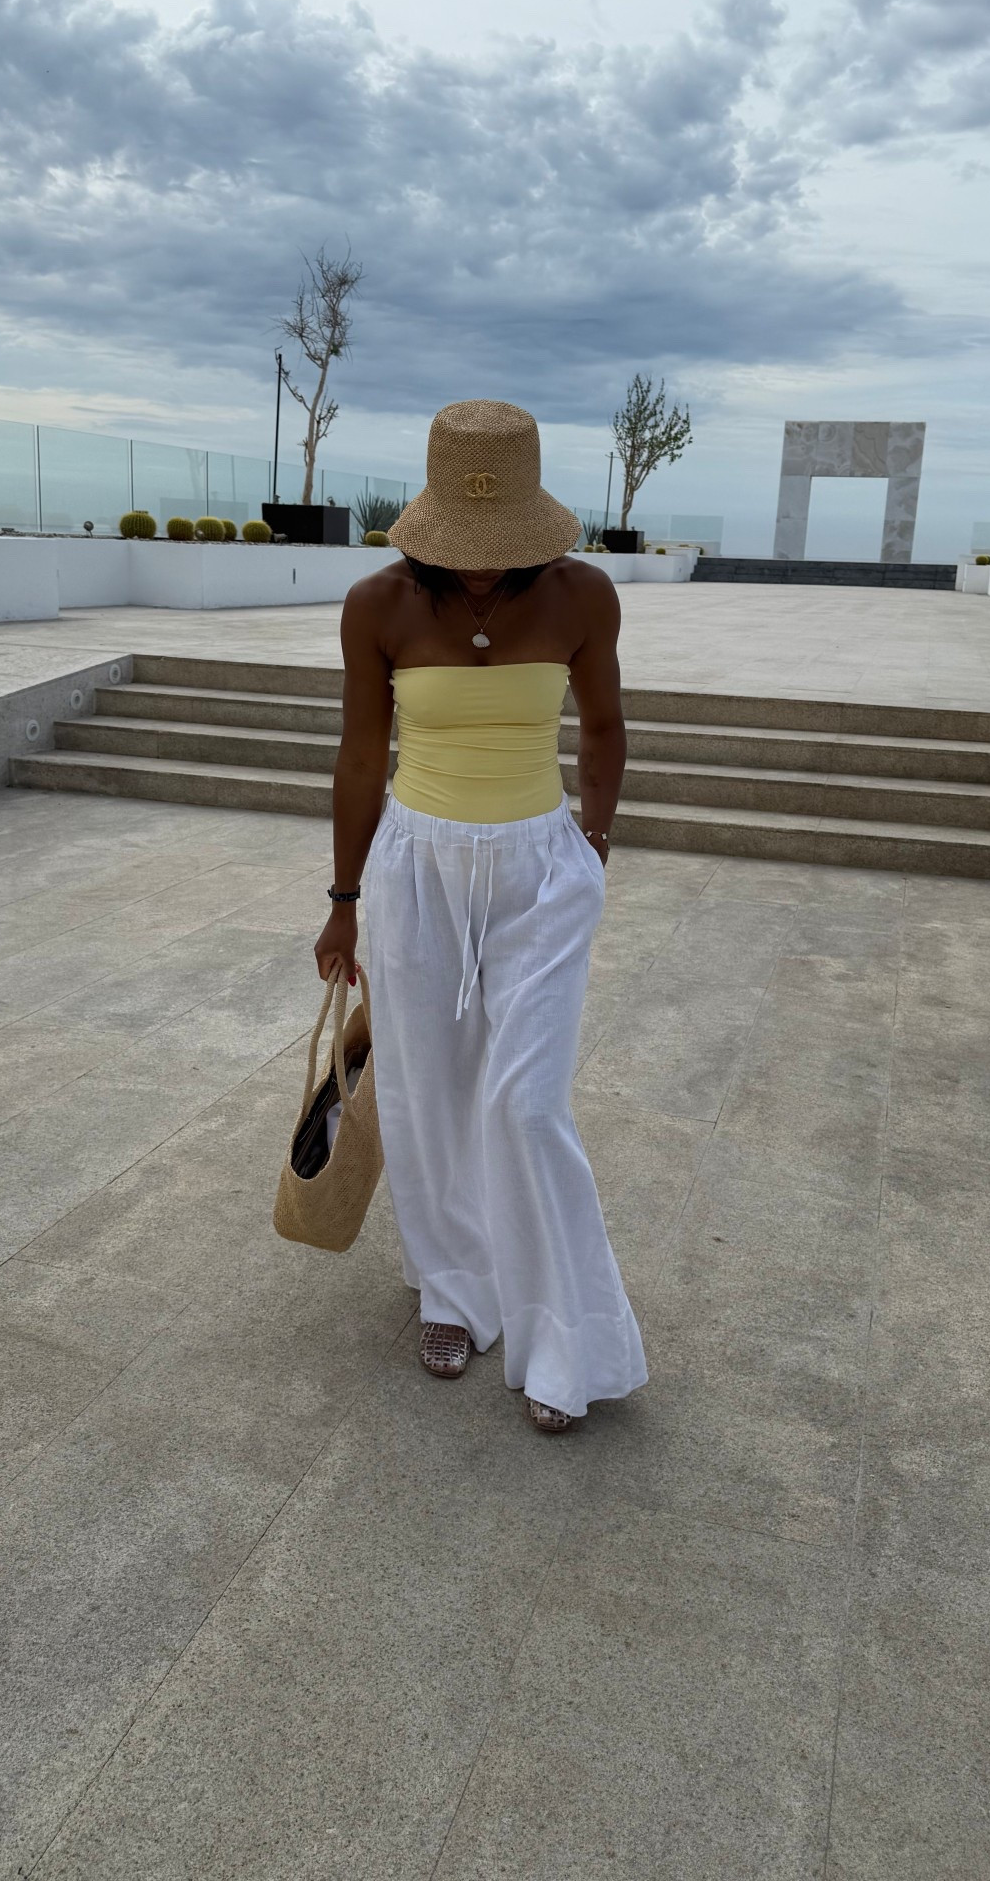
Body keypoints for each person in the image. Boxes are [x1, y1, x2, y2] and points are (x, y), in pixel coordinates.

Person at [314, 399, 648, 1434]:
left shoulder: (583, 595)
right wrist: (343, 898)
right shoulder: (377, 605)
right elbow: (363, 756)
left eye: (500, 552)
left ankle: (568, 1337)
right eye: (465, 550)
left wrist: (592, 839)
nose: (481, 572)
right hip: (417, 868)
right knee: (427, 1089)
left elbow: (603, 724)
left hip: (538, 871)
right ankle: (453, 1288)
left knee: (527, 1101)